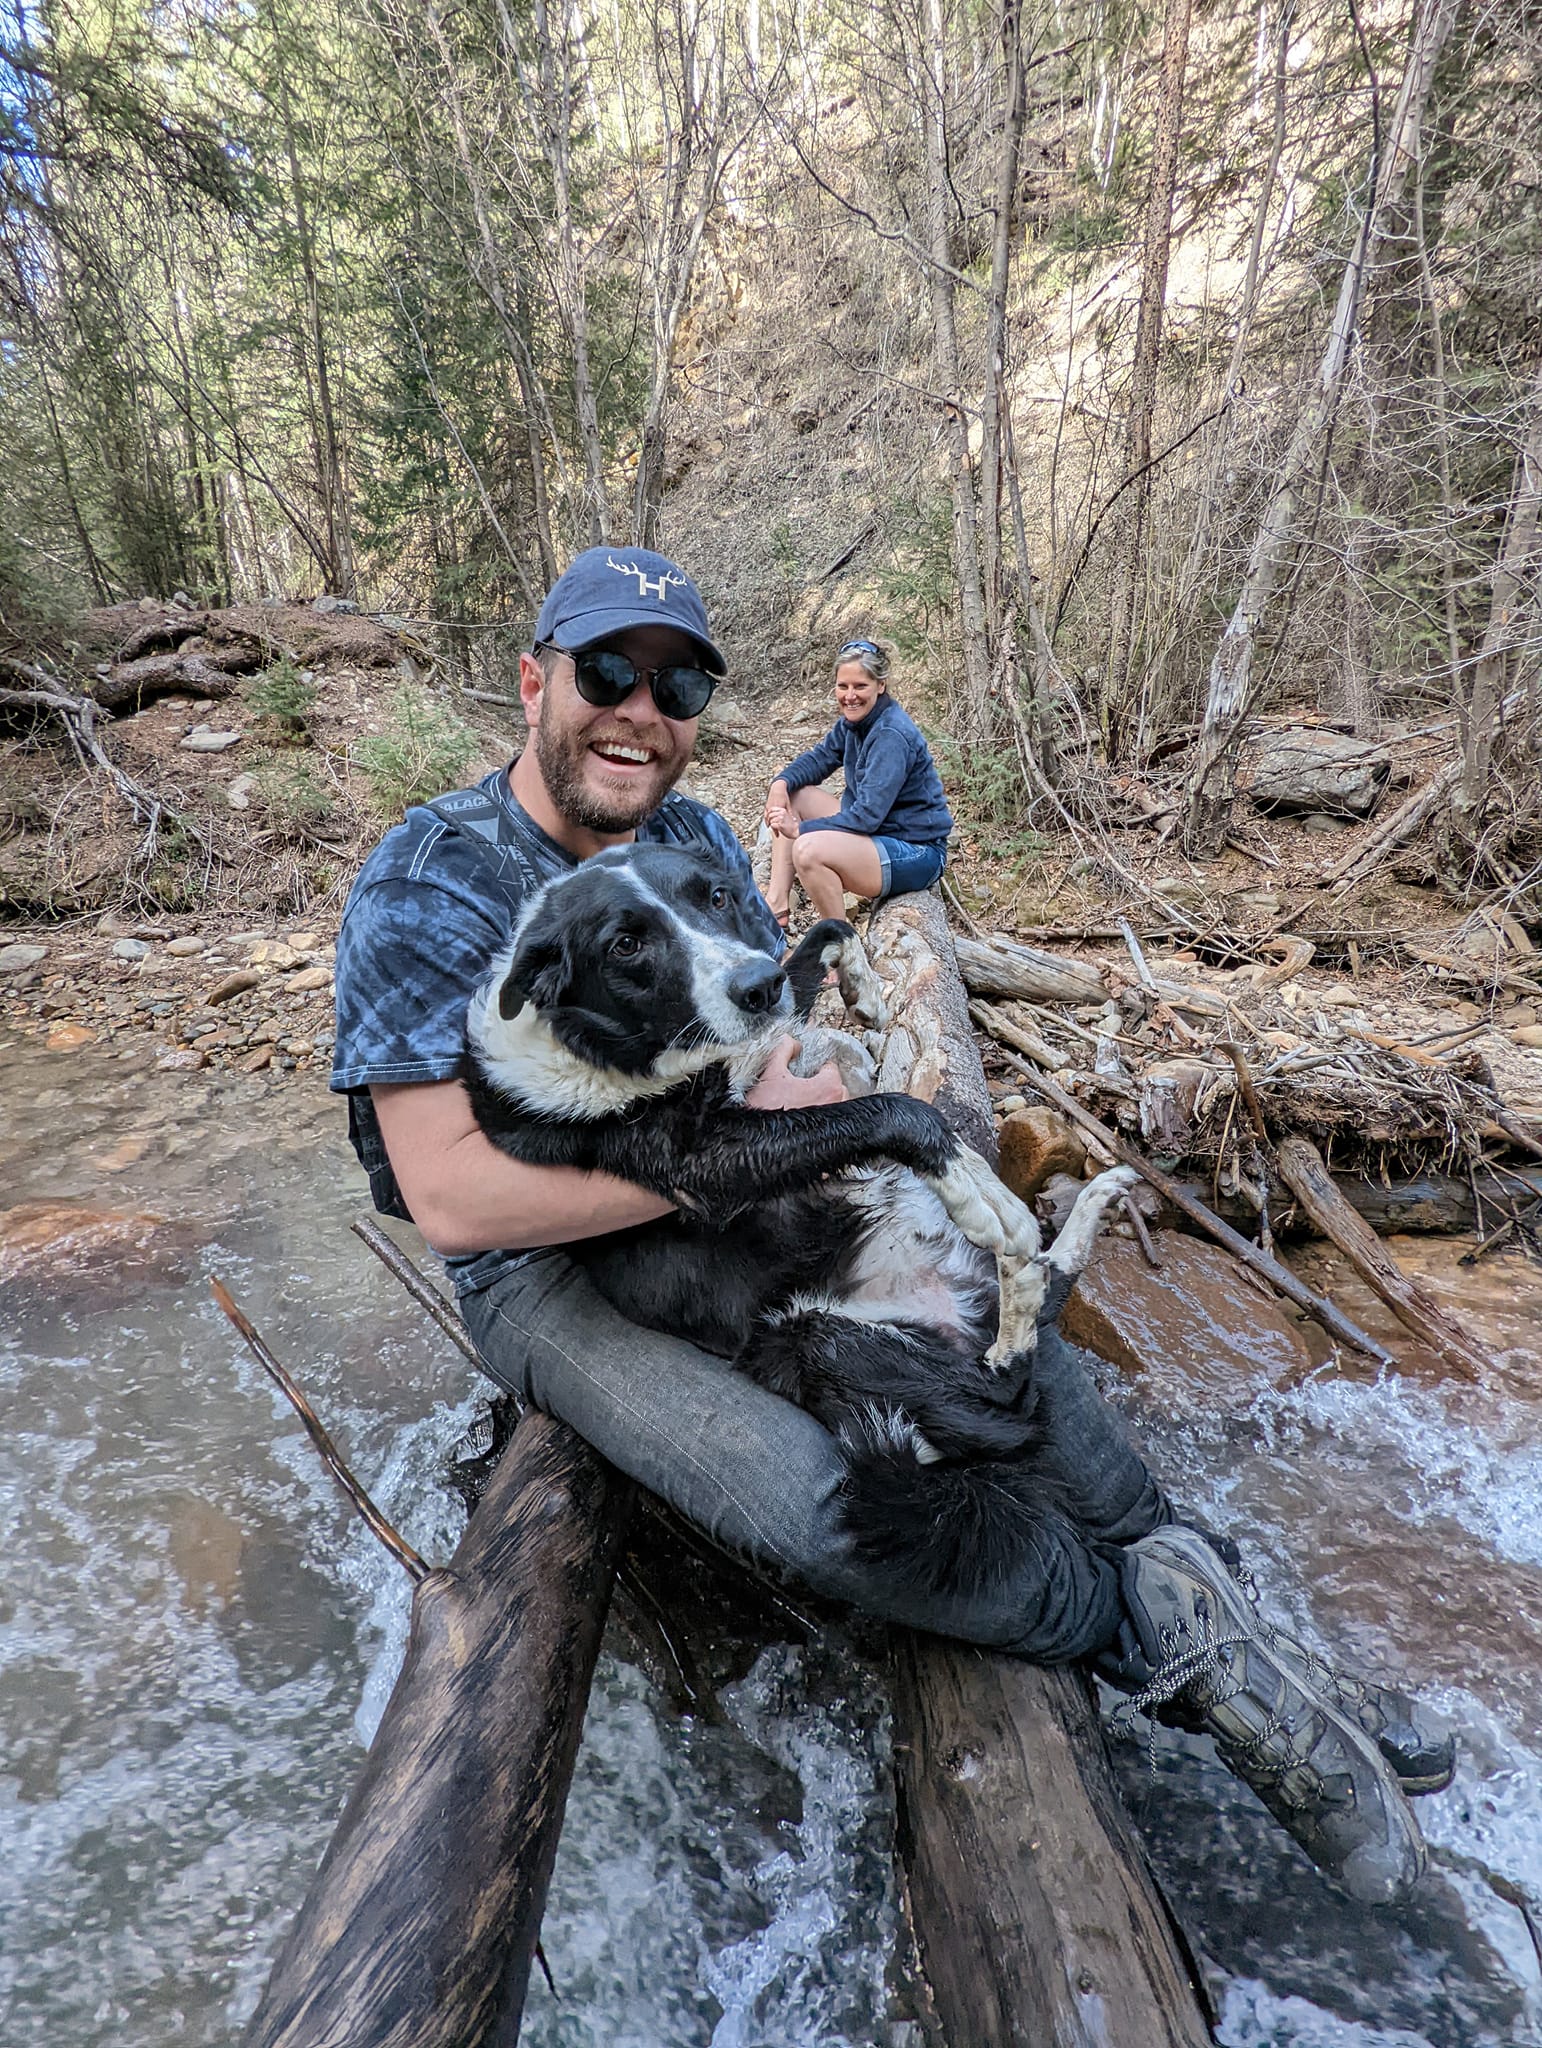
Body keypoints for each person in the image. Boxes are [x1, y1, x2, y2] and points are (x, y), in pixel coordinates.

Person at [330, 546, 1447, 1903]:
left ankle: (1258, 1642)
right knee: (819, 1509)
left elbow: (767, 1027)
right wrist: (736, 1164)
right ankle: (1150, 1637)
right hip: (548, 1267)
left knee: (988, 1321)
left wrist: (798, 1092)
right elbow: (449, 1191)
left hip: (729, 1169)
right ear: (534, 683)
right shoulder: (430, 875)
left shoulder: (684, 842)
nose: (641, 706)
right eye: (608, 671)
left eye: (675, 681)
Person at [764, 638, 951, 930]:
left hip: (917, 851)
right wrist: (781, 783)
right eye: (843, 686)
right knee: (796, 795)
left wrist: (799, 829)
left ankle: (840, 950)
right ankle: (776, 906)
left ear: (880, 685)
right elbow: (820, 759)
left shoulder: (890, 735)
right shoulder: (855, 722)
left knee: (807, 849)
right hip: (879, 833)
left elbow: (866, 816)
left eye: (860, 686)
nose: (850, 696)